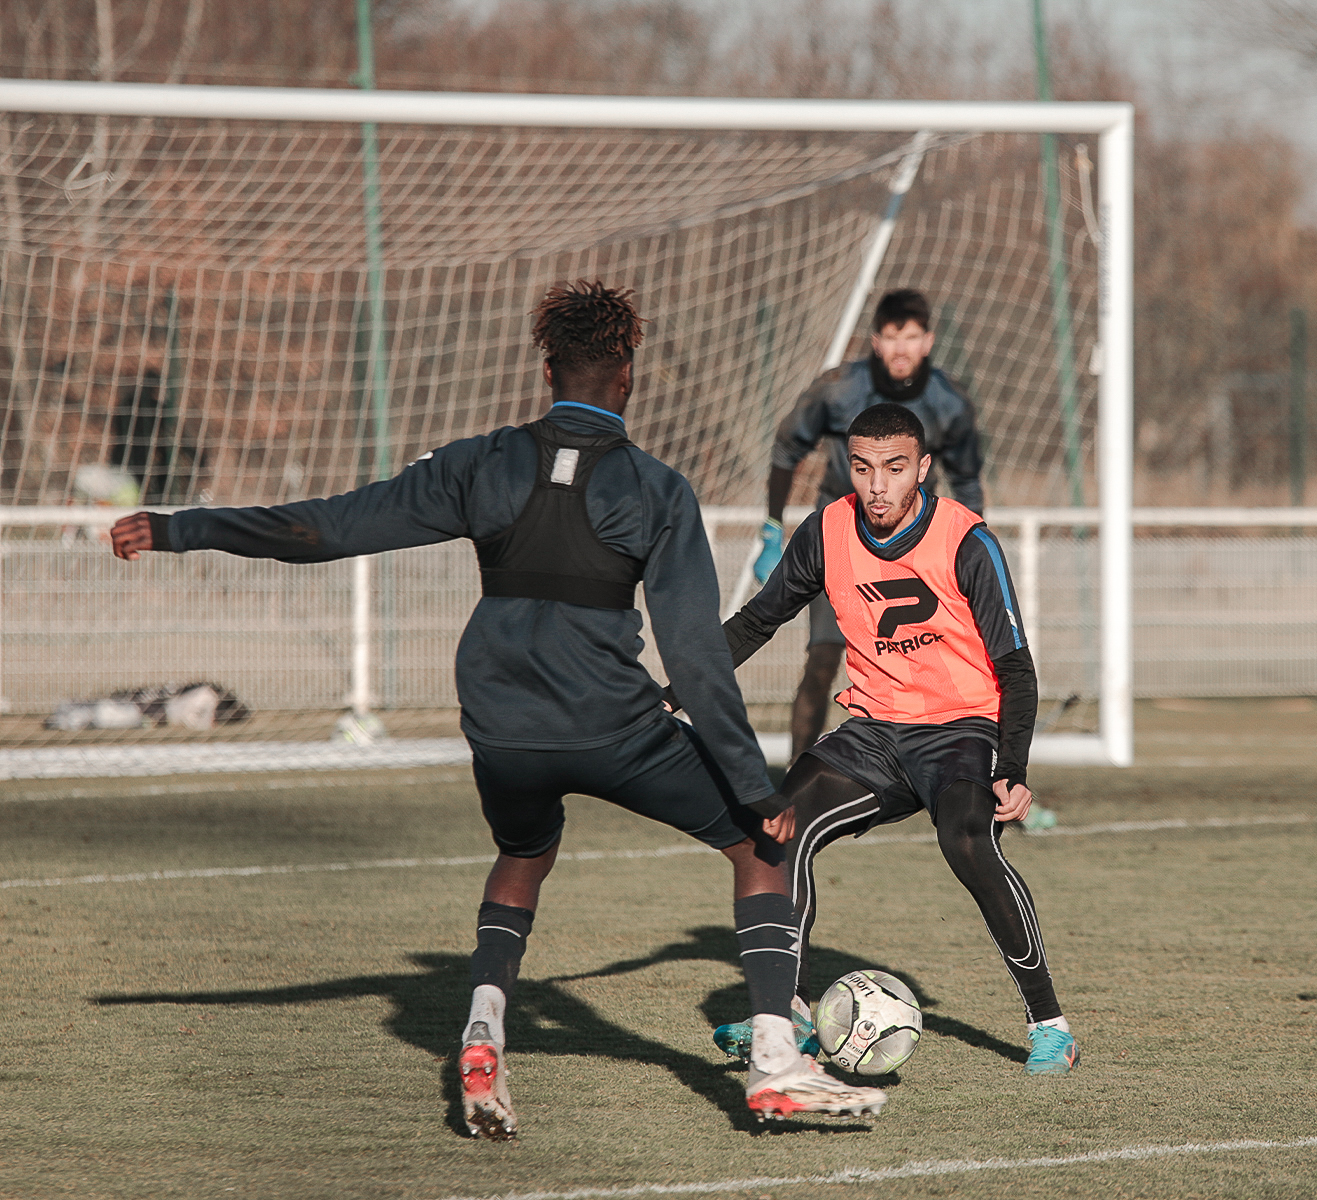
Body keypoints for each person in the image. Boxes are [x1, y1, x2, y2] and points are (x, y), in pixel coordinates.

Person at [108, 281, 887, 1135]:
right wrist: (758, 786)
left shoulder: (479, 462)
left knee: (522, 854)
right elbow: (696, 660)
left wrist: (183, 527)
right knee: (757, 852)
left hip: (500, 725)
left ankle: (483, 1028)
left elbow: (328, 529)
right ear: (627, 376)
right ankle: (777, 1061)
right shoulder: (658, 490)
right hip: (614, 726)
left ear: (547, 371)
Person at [704, 401, 1077, 1076]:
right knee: (777, 830)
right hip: (875, 730)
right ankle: (788, 1013)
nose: (877, 486)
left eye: (895, 468)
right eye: (864, 467)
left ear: (923, 469)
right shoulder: (828, 530)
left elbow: (1016, 669)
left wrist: (1012, 766)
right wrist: (683, 683)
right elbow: (759, 620)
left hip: (962, 729)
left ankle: (1050, 1025)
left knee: (966, 842)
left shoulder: (968, 541)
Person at [757, 288, 985, 760]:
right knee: (822, 661)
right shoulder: (839, 387)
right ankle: (798, 779)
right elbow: (786, 449)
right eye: (890, 336)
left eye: (912, 336)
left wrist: (974, 549)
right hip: (841, 543)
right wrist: (772, 529)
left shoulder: (951, 401)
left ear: (928, 341)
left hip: (919, 549)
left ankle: (958, 772)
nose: (901, 348)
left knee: (933, 664)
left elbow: (968, 480)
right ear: (875, 341)